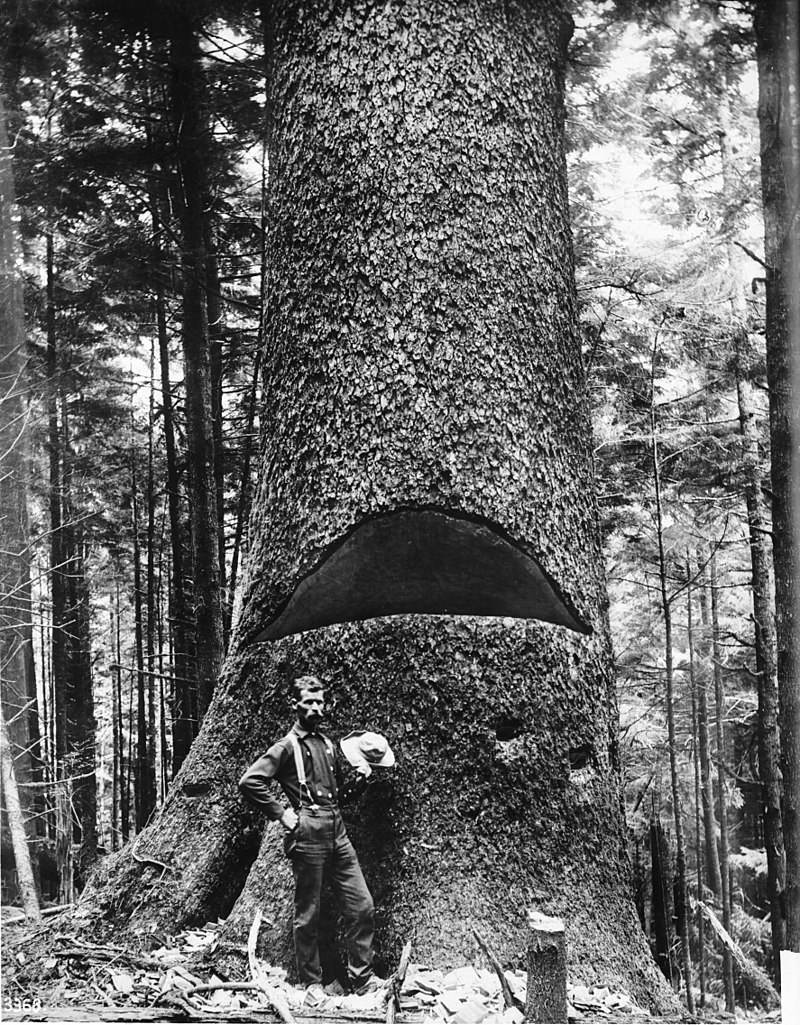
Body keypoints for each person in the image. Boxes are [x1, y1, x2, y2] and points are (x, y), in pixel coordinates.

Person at [238, 675, 394, 1002]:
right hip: (307, 830)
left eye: (320, 702)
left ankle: (361, 978)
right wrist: (282, 813)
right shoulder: (286, 746)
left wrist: (362, 781)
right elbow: (250, 781)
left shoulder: (327, 745)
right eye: (309, 702)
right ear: (295, 705)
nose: (316, 708)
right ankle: (311, 984)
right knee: (308, 911)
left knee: (362, 905)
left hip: (337, 829)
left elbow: (340, 797)